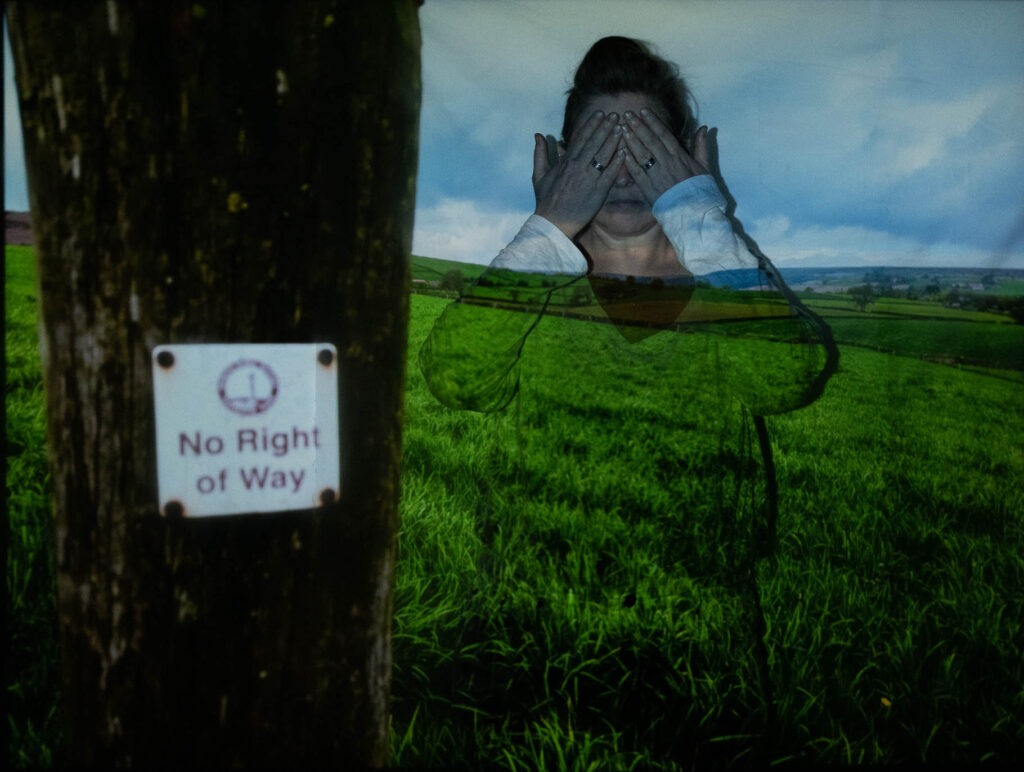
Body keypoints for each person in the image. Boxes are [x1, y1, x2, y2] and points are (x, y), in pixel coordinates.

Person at [418, 35, 837, 743]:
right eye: (597, 148)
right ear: (556, 162)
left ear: (686, 161)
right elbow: (456, 379)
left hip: (706, 668)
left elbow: (788, 380)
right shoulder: (535, 281)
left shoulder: (727, 277)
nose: (619, 170)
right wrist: (548, 227)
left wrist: (704, 222)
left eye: (643, 145)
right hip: (531, 652)